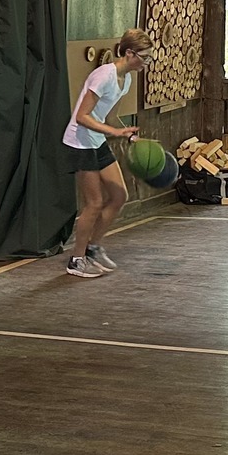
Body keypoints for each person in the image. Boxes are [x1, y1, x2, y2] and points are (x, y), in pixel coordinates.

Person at [61, 30, 149, 280]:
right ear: (130, 53)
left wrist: (128, 135)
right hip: (79, 142)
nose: (146, 62)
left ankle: (93, 247)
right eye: (144, 57)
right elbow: (82, 116)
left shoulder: (127, 79)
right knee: (94, 203)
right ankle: (76, 260)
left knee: (120, 195)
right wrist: (114, 131)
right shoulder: (103, 76)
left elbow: (109, 117)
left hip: (97, 140)